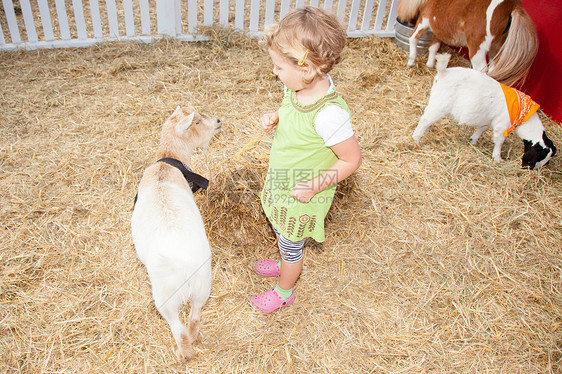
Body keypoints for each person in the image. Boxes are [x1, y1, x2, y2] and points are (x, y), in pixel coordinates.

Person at [251, 6, 362, 313]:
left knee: (291, 242)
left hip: (302, 192)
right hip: (284, 180)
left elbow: (351, 160)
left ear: (305, 69)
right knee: (282, 232)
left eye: (278, 66)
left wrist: (315, 185)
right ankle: (286, 257)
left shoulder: (329, 115)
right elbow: (293, 115)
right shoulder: (297, 87)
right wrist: (277, 118)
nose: (275, 72)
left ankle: (285, 289)